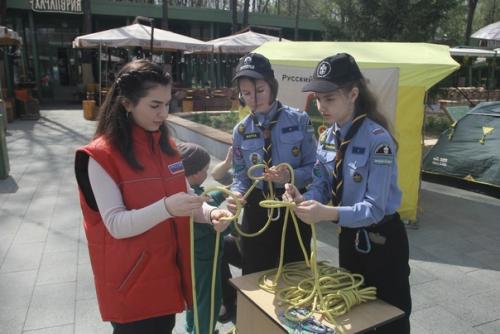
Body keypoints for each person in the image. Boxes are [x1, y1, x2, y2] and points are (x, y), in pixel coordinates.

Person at [74, 59, 231, 334]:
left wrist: (210, 214)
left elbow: (185, 196)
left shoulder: (167, 146)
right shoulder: (100, 156)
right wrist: (168, 208)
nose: (163, 114)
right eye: (154, 105)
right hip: (130, 284)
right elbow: (116, 225)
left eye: (167, 104)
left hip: (166, 277)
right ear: (126, 103)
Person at [283, 53, 411, 334]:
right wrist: (302, 197)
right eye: (318, 98)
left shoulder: (378, 141)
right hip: (350, 238)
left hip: (382, 242)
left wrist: (325, 213)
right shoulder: (328, 138)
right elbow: (322, 184)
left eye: (329, 98)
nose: (321, 106)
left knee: (392, 317)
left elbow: (374, 209)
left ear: (353, 94)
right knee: (355, 312)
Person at [227, 53, 317, 275]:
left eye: (259, 91)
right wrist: (236, 195)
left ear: (272, 86)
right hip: (257, 207)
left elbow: (314, 168)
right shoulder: (240, 130)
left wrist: (290, 177)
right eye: (246, 93)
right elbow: (240, 175)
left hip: (292, 203)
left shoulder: (299, 120)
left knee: (295, 271)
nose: (254, 100)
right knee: (254, 272)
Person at [177, 142, 231, 334]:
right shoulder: (194, 200)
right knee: (209, 301)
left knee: (193, 298)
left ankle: (192, 329)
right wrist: (229, 217)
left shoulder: (179, 194)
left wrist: (224, 192)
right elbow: (220, 228)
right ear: (193, 172)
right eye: (205, 170)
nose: (207, 174)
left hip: (190, 261)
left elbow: (206, 199)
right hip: (206, 261)